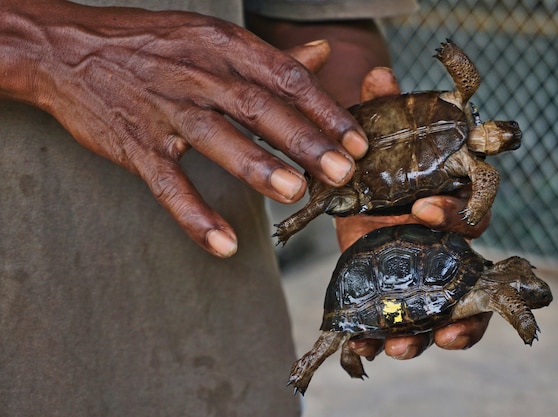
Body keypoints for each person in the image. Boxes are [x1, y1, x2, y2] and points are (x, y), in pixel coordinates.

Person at [0, 0, 490, 415]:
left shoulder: (468, 151)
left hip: (223, 335)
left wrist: (371, 162)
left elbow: (319, 15)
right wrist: (42, 48)